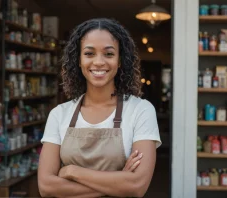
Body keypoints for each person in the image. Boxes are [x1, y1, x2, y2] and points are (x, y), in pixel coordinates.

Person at [38, 18, 161, 197]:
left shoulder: (140, 110)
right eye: (89, 54)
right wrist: (119, 181)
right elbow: (47, 187)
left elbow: (136, 186)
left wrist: (72, 172)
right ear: (78, 60)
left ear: (120, 61)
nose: (98, 62)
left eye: (109, 54)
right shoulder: (59, 114)